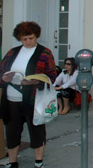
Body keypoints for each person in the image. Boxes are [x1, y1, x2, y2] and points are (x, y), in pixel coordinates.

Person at [0, 21, 57, 168]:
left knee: (36, 130)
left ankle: (38, 162)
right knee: (12, 131)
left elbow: (51, 75)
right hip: (11, 98)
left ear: (36, 36)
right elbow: (1, 70)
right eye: (24, 39)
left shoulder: (44, 52)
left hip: (33, 98)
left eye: (31, 38)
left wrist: (34, 81)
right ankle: (13, 162)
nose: (28, 41)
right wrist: (4, 78)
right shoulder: (13, 52)